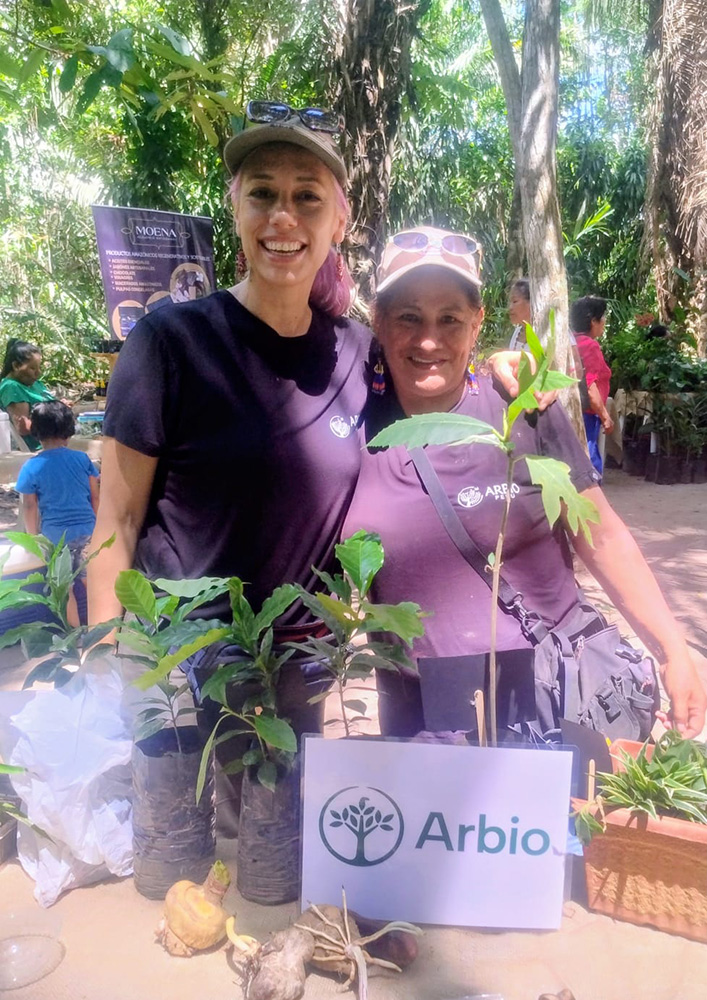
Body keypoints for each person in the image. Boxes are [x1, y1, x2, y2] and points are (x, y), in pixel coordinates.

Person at [344, 225, 706, 740]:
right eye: (408, 318)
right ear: (378, 322)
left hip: (545, 706)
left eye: (450, 318)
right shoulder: (352, 426)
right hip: (417, 722)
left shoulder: (524, 410)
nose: (429, 339)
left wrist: (673, 648)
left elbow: (600, 534)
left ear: (477, 323)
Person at [16, 401, 100, 626]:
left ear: (36, 431)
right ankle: (99, 631)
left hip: (55, 539)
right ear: (68, 429)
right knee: (91, 583)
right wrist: (99, 525)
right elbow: (95, 496)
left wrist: (33, 539)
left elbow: (29, 506)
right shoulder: (83, 460)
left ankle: (74, 636)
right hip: (88, 533)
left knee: (65, 589)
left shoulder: (32, 467)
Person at [571, 295, 614, 477]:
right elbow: (590, 386)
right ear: (593, 321)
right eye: (602, 318)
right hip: (588, 414)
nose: (604, 322)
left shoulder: (572, 341)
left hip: (575, 410)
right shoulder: (590, 346)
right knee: (590, 460)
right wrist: (605, 416)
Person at [0, 340, 56, 450]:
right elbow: (23, 427)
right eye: (32, 368)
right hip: (43, 446)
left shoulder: (34, 383)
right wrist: (58, 421)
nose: (38, 372)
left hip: (58, 439)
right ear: (16, 366)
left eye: (39, 368)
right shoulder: (12, 387)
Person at [508, 277, 531, 350]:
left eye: (515, 301)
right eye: (510, 302)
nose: (510, 307)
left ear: (530, 303)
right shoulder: (517, 332)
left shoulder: (546, 334)